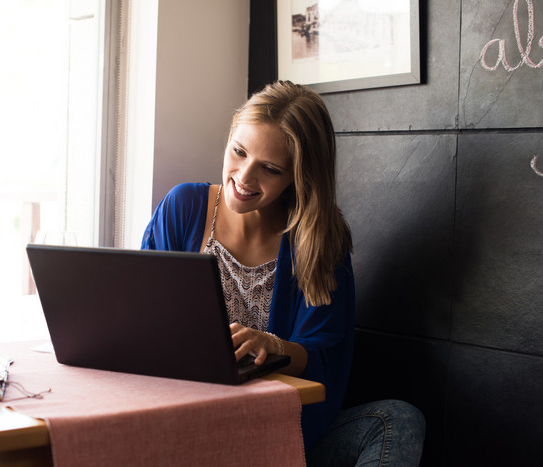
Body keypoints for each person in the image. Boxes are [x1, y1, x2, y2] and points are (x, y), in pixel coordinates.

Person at [141, 80, 425, 465]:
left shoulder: (319, 240)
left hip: (276, 423)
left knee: (397, 420)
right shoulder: (184, 208)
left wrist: (274, 347)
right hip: (190, 417)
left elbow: (326, 358)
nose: (243, 177)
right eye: (238, 152)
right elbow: (143, 319)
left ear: (298, 176)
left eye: (269, 169)